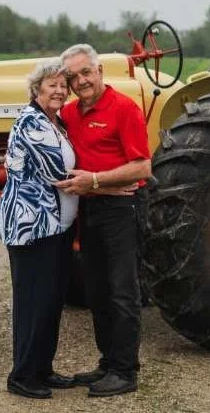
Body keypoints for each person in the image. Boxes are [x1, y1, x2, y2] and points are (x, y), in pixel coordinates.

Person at [54, 43, 151, 398]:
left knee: (122, 291)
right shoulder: (69, 114)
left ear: (99, 72)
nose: (81, 81)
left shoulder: (124, 108)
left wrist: (95, 181)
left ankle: (126, 371)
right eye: (73, 76)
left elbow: (142, 167)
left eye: (86, 73)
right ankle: (108, 362)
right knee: (96, 290)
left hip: (121, 210)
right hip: (90, 209)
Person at [0, 59, 79, 400]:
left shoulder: (56, 122)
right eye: (51, 84)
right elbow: (57, 171)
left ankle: (43, 369)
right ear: (36, 88)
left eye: (62, 86)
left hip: (57, 227)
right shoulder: (30, 122)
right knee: (32, 301)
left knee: (51, 300)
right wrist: (106, 182)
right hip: (32, 227)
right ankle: (22, 376)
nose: (58, 90)